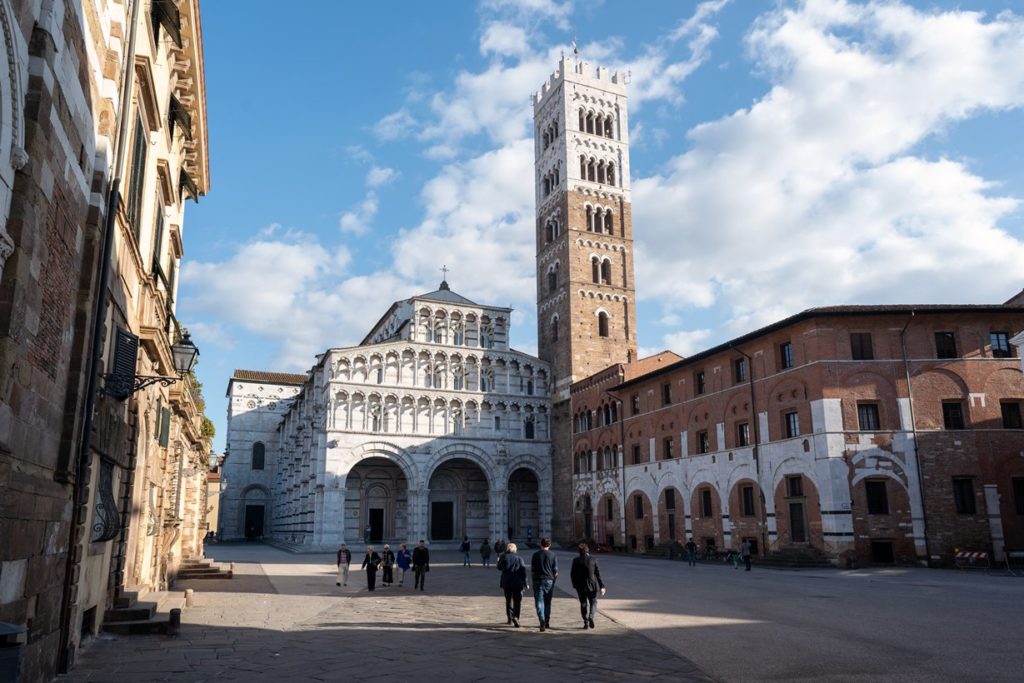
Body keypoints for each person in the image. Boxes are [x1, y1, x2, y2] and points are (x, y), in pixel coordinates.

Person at [570, 543, 606, 629]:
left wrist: (575, 585)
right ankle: (591, 616)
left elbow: (572, 574)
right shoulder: (593, 559)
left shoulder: (576, 560)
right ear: (587, 550)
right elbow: (598, 574)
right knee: (593, 602)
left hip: (580, 586)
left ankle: (585, 622)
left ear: (579, 551)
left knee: (583, 603)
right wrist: (602, 586)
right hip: (592, 585)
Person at [530, 537, 558, 632]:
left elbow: (533, 570)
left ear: (540, 544)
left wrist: (533, 580)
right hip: (549, 580)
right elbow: (555, 571)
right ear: (549, 545)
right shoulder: (553, 555)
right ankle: (547, 621)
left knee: (539, 601)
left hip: (538, 580)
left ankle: (541, 619)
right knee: (547, 602)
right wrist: (554, 580)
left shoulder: (535, 555)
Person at [497, 542, 528, 627]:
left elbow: (498, 568)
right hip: (517, 583)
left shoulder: (503, 557)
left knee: (508, 600)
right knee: (517, 601)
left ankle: (510, 618)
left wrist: (499, 558)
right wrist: (526, 583)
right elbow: (523, 572)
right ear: (515, 549)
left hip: (506, 582)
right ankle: (516, 617)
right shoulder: (519, 558)